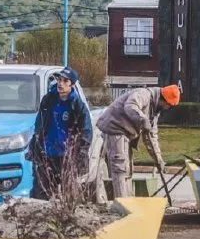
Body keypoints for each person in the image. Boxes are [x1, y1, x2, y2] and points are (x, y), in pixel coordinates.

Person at [96, 85, 180, 198]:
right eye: (168, 105)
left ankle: (128, 200)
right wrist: (142, 119)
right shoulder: (143, 94)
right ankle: (122, 203)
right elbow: (130, 106)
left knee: (128, 168)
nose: (167, 108)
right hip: (115, 127)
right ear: (162, 99)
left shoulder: (154, 111)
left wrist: (158, 160)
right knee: (119, 166)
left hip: (125, 132)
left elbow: (151, 137)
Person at [29, 67, 94, 200]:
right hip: (47, 155)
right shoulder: (48, 100)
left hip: (67, 157)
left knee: (69, 194)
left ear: (72, 84)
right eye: (59, 80)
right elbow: (39, 125)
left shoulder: (77, 105)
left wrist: (81, 152)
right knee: (40, 193)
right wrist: (34, 146)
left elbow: (86, 131)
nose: (61, 83)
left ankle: (67, 216)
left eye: (65, 81)